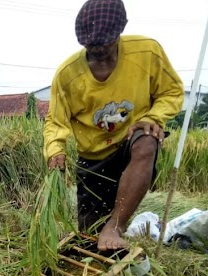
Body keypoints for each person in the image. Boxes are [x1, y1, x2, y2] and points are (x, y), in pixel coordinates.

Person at [44, 0, 184, 251]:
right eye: (90, 46)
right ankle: (104, 230)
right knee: (90, 240)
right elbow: (56, 120)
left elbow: (171, 91)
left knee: (148, 139)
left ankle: (116, 225)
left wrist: (152, 117)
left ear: (122, 29)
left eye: (104, 44)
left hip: (131, 142)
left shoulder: (147, 52)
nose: (97, 51)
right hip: (94, 159)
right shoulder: (67, 75)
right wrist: (56, 150)